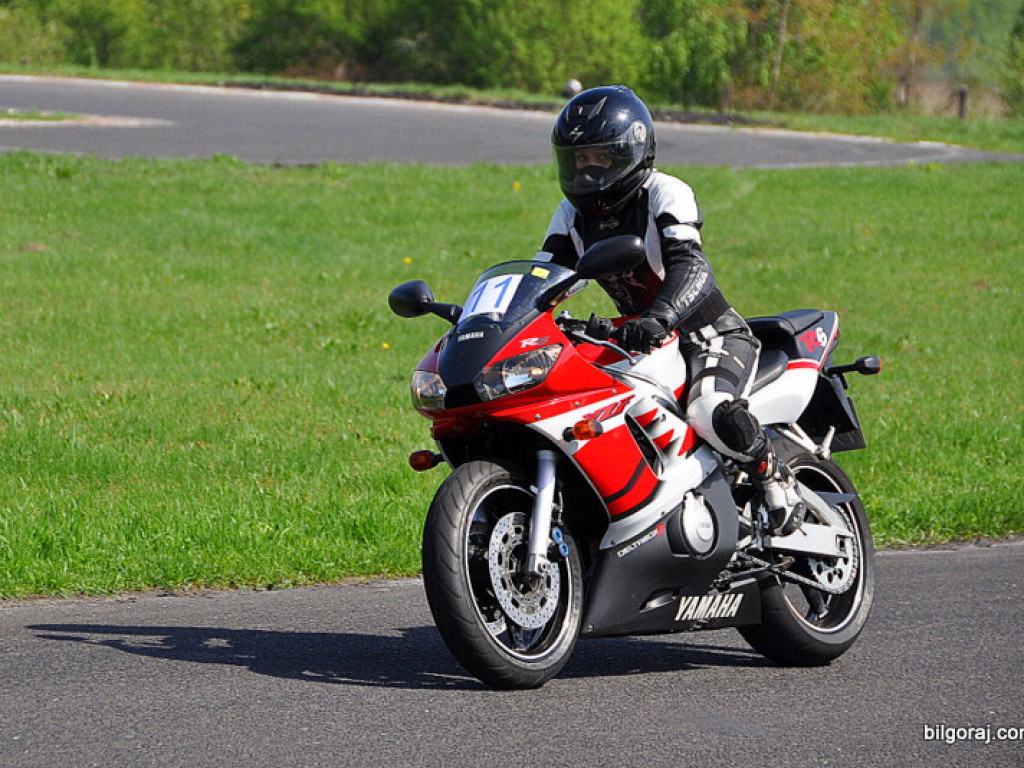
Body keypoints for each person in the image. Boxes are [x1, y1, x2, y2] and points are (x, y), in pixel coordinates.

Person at [536, 84, 804, 535]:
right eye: (579, 159)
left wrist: (660, 317)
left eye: (600, 157)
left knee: (709, 409)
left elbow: (693, 267)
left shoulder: (665, 191)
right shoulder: (570, 213)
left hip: (708, 333)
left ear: (631, 150)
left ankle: (774, 477)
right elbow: (545, 278)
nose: (587, 171)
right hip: (634, 338)